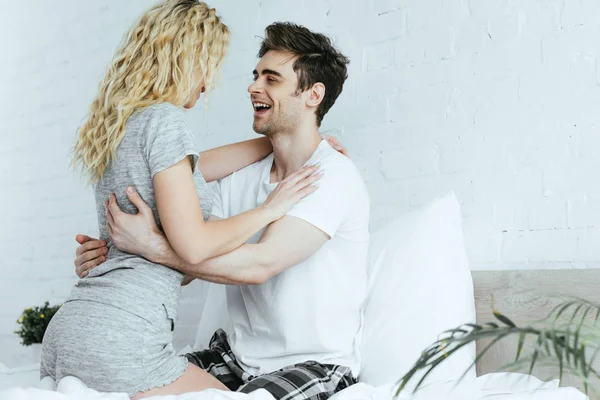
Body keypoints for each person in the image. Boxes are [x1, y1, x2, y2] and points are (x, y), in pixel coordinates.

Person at [41, 2, 326, 398]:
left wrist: (296, 138)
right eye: (208, 65)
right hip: (121, 335)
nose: (208, 82)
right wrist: (269, 209)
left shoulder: (121, 123)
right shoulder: (165, 121)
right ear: (184, 59)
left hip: (72, 330)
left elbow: (198, 168)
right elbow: (193, 247)